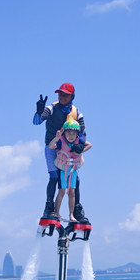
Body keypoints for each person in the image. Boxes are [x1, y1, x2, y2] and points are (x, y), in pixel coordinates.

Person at [33, 82, 90, 224]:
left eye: (66, 94)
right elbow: (36, 122)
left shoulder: (77, 113)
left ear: (72, 96)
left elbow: (83, 132)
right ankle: (49, 208)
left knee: (75, 181)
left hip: (68, 151)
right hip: (53, 147)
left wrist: (80, 145)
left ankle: (77, 210)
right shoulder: (51, 108)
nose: (62, 97)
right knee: (53, 177)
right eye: (60, 94)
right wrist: (39, 112)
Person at [48, 120, 91, 222]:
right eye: (68, 133)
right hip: (63, 169)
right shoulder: (60, 141)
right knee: (62, 191)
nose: (71, 136)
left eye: (73, 134)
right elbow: (50, 146)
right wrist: (57, 137)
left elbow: (90, 145)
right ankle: (57, 212)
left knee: (72, 192)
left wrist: (80, 150)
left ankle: (71, 215)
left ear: (77, 134)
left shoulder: (79, 141)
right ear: (65, 133)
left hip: (73, 170)